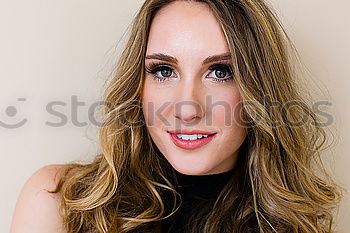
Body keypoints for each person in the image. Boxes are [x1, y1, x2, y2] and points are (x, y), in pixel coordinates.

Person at [10, 0, 343, 232]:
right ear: (137, 86)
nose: (187, 108)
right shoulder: (58, 202)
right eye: (164, 71)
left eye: (221, 71)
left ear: (259, 90)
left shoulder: (300, 224)